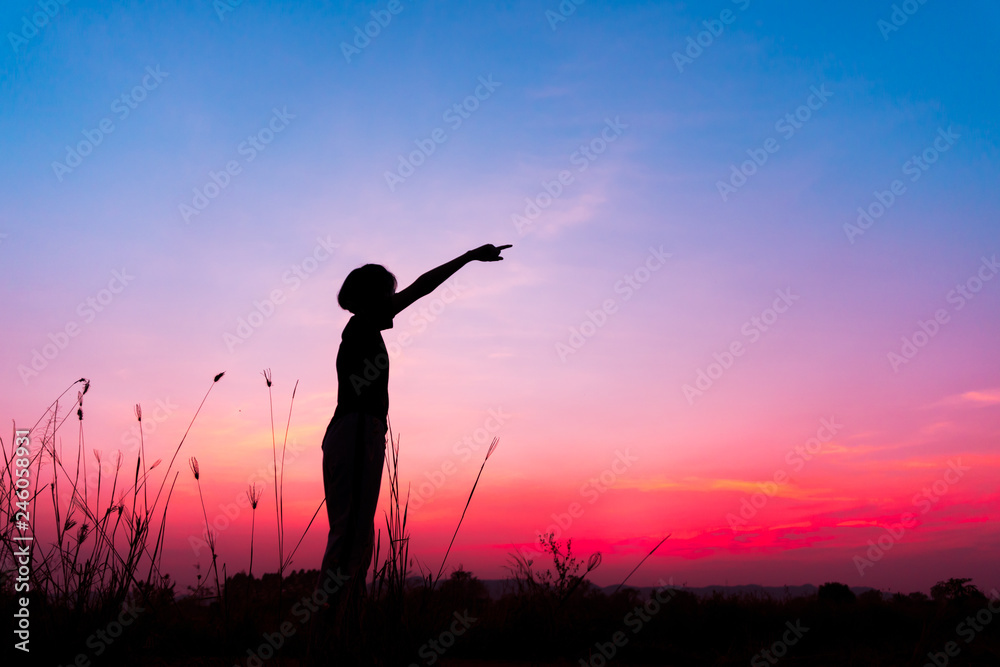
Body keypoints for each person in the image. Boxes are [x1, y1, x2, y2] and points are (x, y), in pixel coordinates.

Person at [313, 242, 511, 652]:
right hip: (356, 433)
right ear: (372, 297)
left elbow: (416, 290)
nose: (393, 300)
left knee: (352, 532)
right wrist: (468, 257)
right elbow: (422, 288)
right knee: (351, 535)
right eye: (388, 292)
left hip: (353, 433)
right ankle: (333, 630)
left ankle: (344, 627)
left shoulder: (359, 329)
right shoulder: (363, 325)